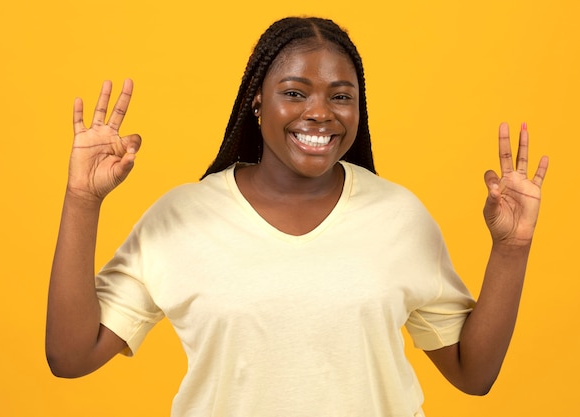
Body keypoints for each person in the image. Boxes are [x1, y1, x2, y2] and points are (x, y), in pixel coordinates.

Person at [46, 16, 549, 417]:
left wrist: (511, 249)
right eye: (293, 92)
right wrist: (82, 199)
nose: (320, 112)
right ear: (257, 103)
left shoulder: (399, 216)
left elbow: (473, 375)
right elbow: (70, 357)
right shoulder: (180, 217)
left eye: (341, 96)